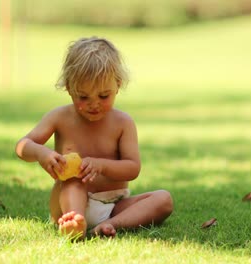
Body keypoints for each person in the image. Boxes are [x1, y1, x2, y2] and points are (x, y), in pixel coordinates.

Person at [15, 37, 173, 239]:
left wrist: (101, 165)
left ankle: (110, 224)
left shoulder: (123, 123)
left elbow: (133, 168)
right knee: (74, 180)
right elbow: (22, 146)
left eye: (103, 96)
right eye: (83, 97)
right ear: (69, 88)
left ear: (118, 84)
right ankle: (75, 223)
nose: (94, 104)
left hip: (114, 203)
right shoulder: (59, 117)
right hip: (70, 200)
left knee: (163, 199)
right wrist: (41, 153)